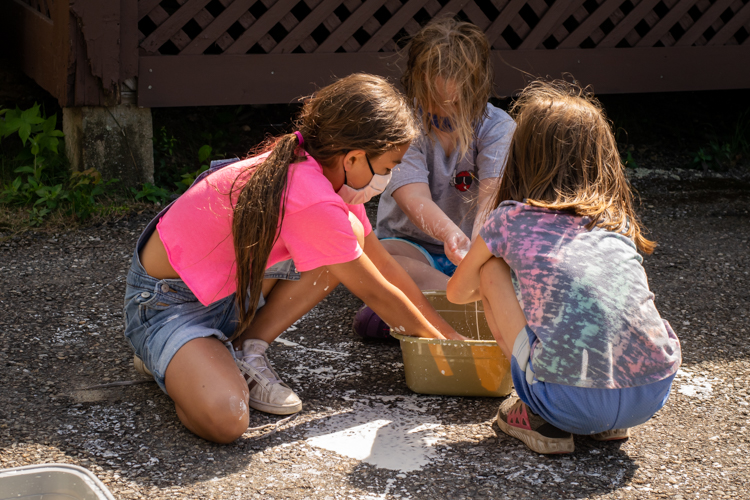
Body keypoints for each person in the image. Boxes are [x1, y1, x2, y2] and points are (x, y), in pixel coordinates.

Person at [123, 74, 463, 444]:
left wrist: (448, 334)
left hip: (230, 297)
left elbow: (386, 269)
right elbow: (379, 294)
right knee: (226, 421)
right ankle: (168, 360)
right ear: (352, 158)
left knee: (347, 235)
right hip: (168, 305)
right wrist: (448, 352)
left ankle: (241, 348)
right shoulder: (311, 194)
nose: (388, 178)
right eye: (386, 168)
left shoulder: (328, 181)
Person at [446, 80, 682, 454]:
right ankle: (608, 423)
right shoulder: (614, 221)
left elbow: (456, 293)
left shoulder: (510, 220)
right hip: (649, 393)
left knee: (492, 271)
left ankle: (537, 415)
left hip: (566, 402)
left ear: (521, 157)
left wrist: (501, 287)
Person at [354, 18, 516, 338]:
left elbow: (492, 194)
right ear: (415, 85)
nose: (446, 115)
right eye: (434, 103)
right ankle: (471, 305)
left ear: (478, 88)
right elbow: (413, 197)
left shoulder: (497, 127)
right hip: (411, 244)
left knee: (513, 264)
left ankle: (419, 309)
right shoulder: (403, 125)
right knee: (379, 262)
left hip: (474, 251)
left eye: (456, 104)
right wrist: (450, 235)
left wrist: (474, 249)